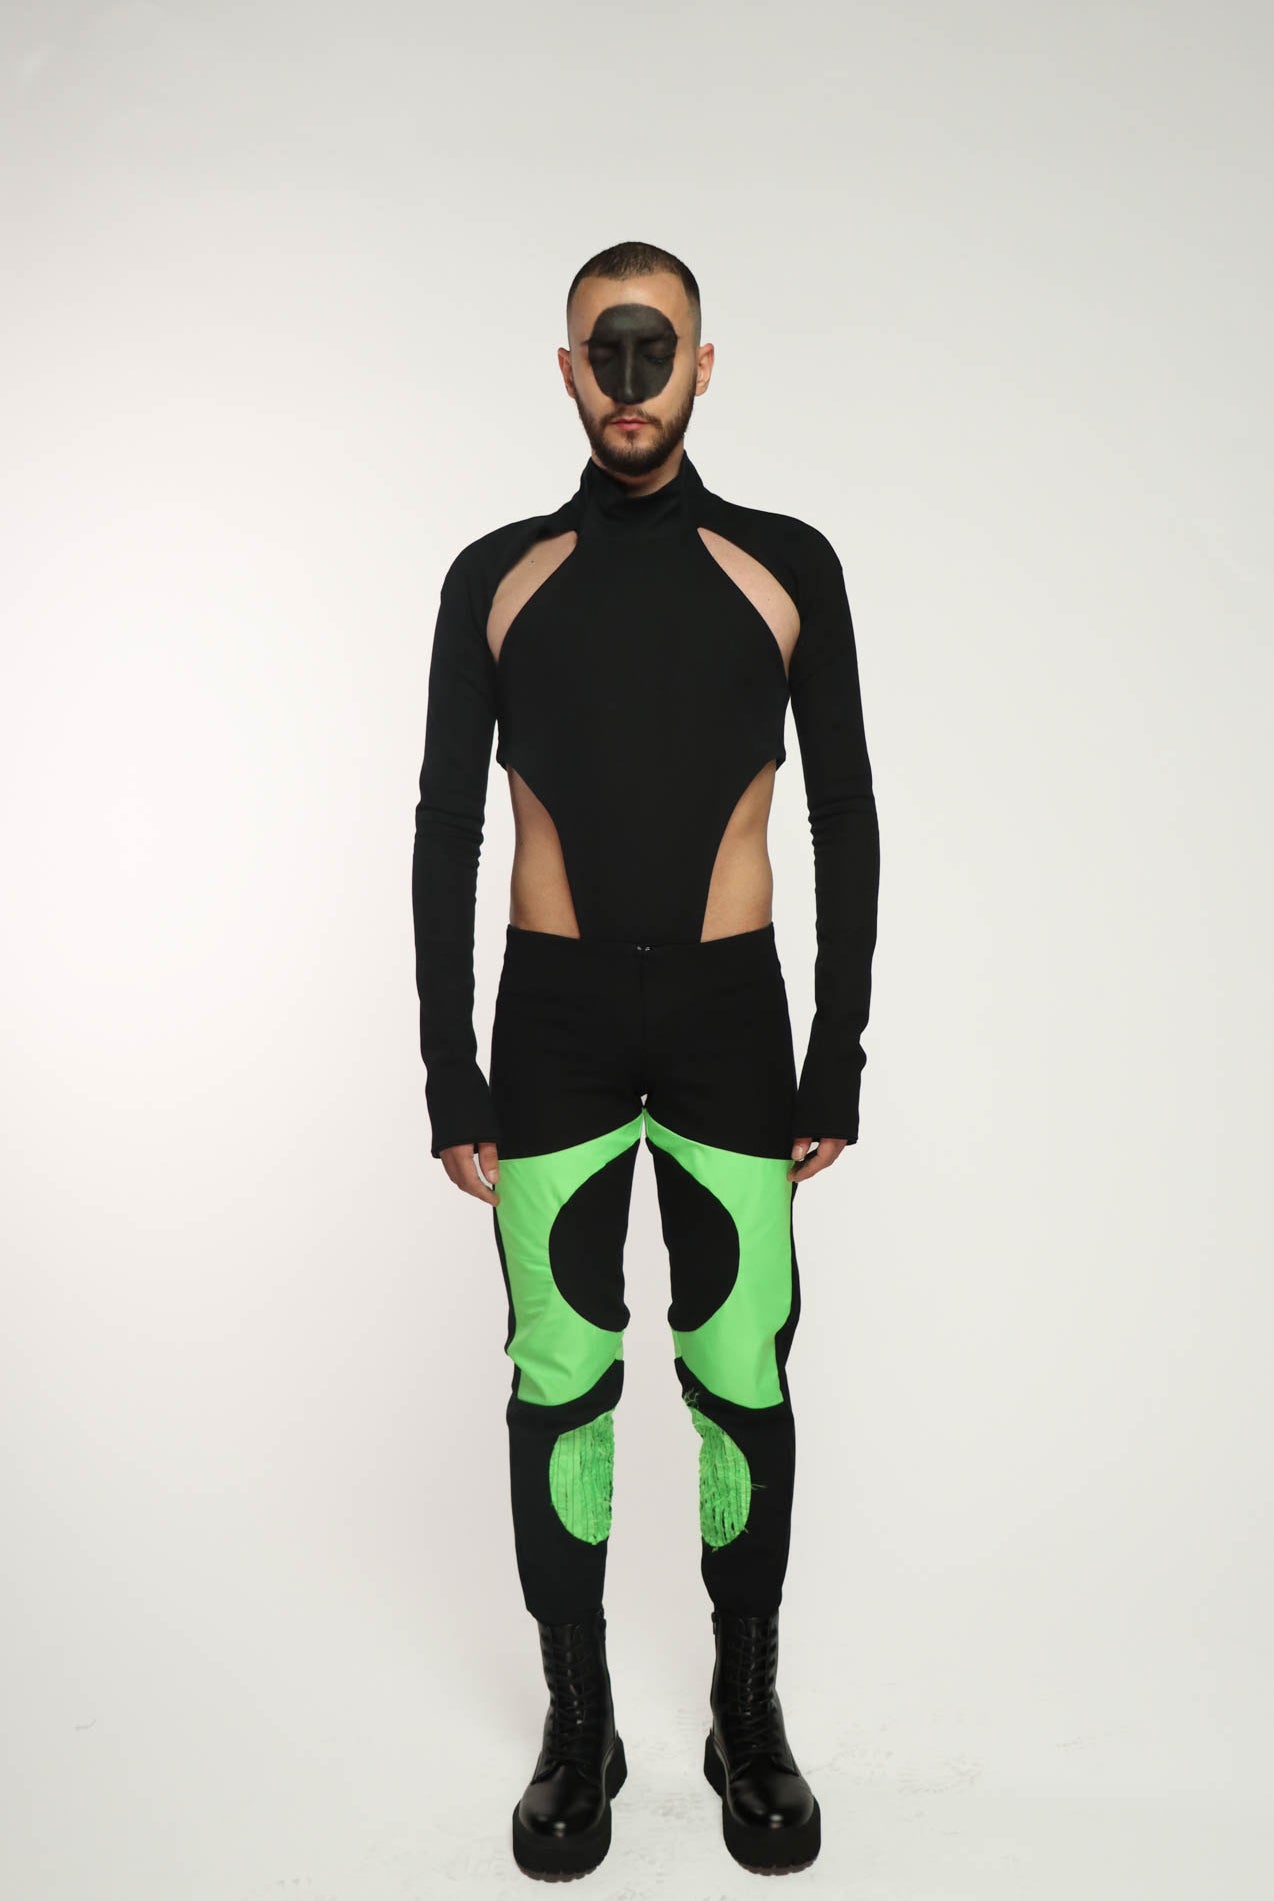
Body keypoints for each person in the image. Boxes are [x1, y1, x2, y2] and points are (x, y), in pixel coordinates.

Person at [411, 240, 880, 1880]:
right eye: (601, 354)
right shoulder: (497, 575)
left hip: (727, 1019)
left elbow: (845, 812)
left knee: (739, 1363)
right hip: (548, 1021)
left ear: (700, 363)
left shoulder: (783, 565)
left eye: (654, 350)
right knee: (561, 1371)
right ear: (563, 369)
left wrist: (836, 1047)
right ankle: (578, 1719)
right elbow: (447, 825)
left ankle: (743, 1714)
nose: (629, 382)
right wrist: (447, 1067)